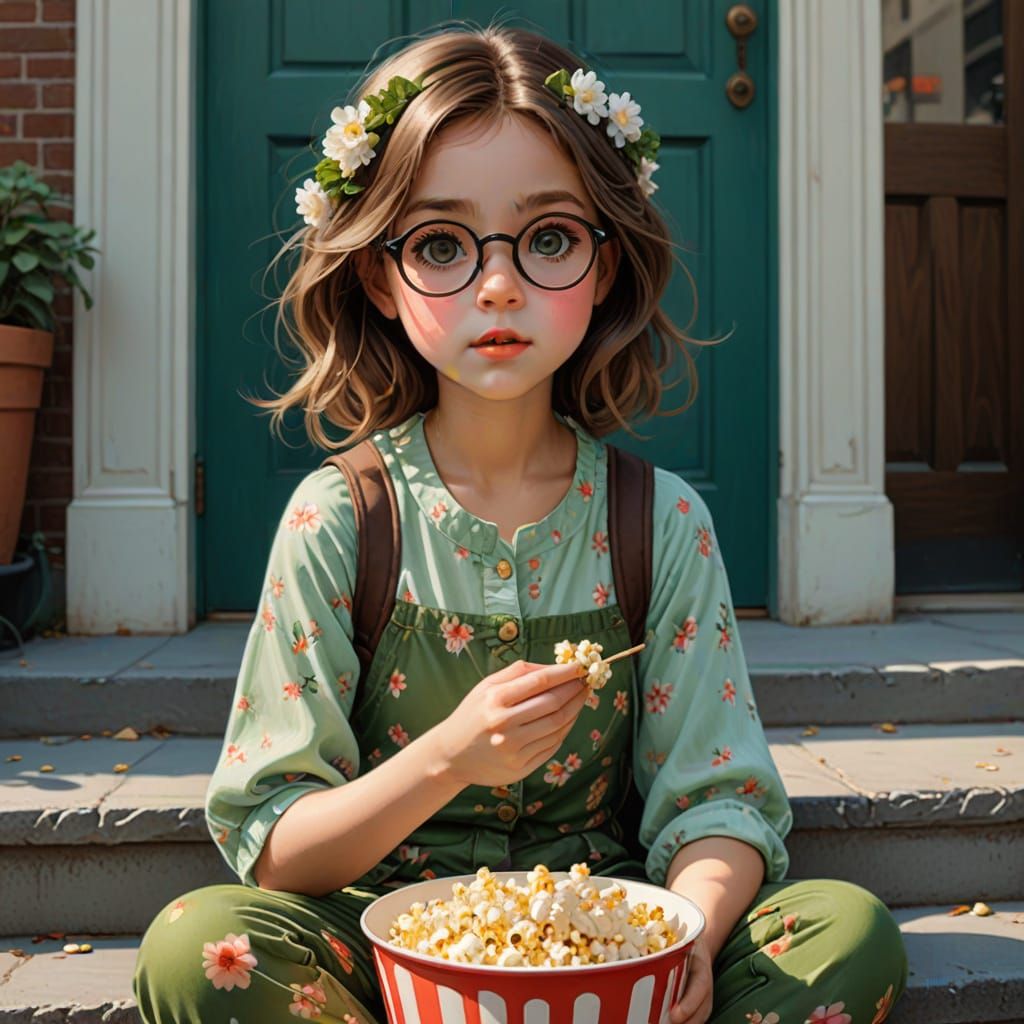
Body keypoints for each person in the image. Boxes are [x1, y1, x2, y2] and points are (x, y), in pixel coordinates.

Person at [133, 21, 907, 1024]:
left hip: (609, 936)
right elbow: (278, 842)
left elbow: (717, 802)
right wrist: (450, 753)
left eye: (547, 238)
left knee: (847, 934)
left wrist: (688, 938)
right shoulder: (342, 516)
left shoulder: (658, 521)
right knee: (201, 947)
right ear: (378, 275)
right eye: (443, 245)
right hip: (385, 948)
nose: (497, 284)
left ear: (608, 261)